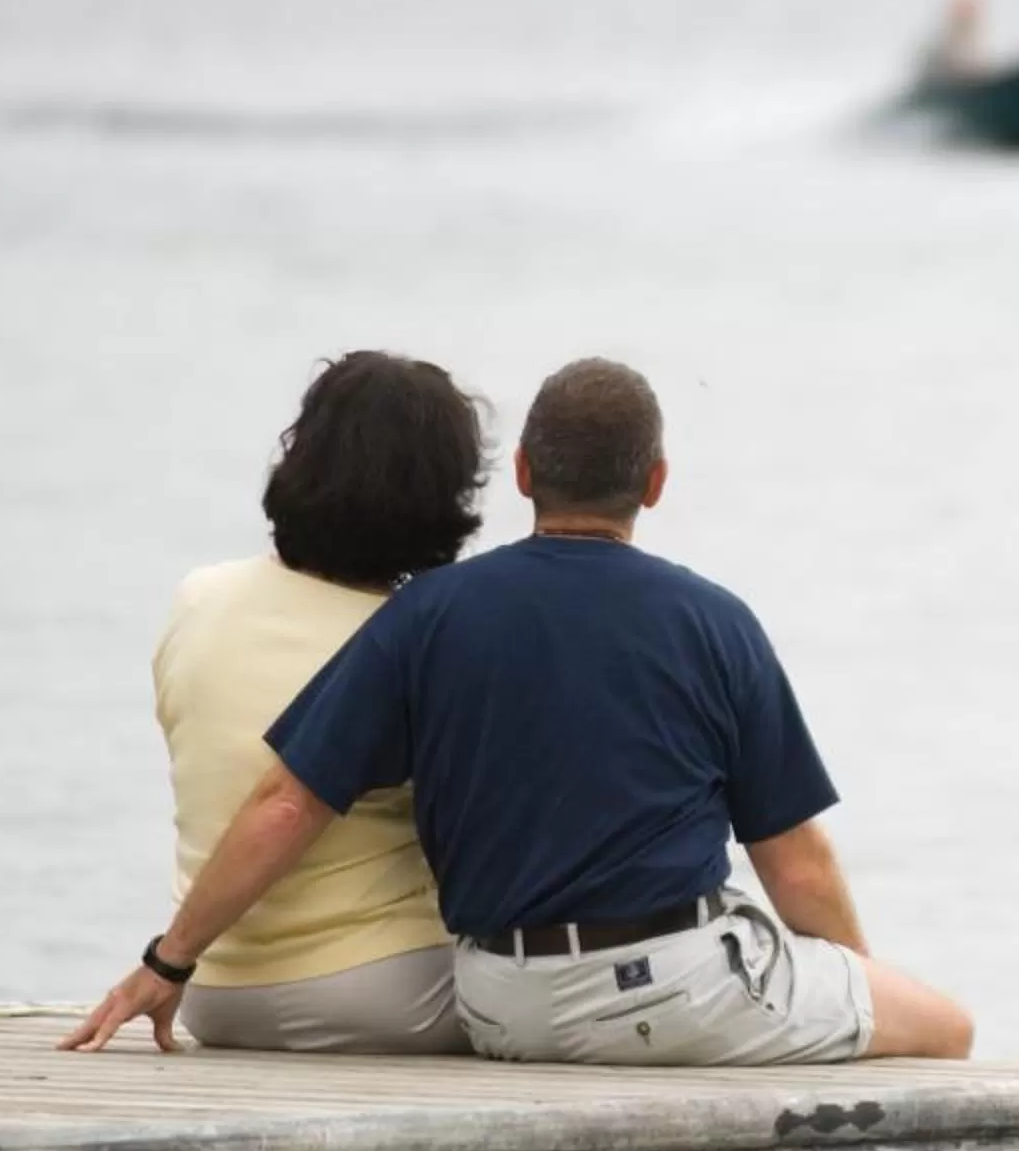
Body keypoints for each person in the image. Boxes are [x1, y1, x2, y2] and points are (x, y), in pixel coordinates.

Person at [68, 358, 973, 1066]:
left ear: (527, 472)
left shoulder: (426, 615)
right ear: (655, 482)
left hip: (501, 1003)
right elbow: (797, 863)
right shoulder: (715, 621)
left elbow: (285, 803)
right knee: (947, 1029)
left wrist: (170, 961)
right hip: (666, 990)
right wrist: (858, 979)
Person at [148, 351, 486, 1054]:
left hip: (212, 994)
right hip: (396, 995)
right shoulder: (428, 637)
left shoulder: (198, 598)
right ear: (445, 494)